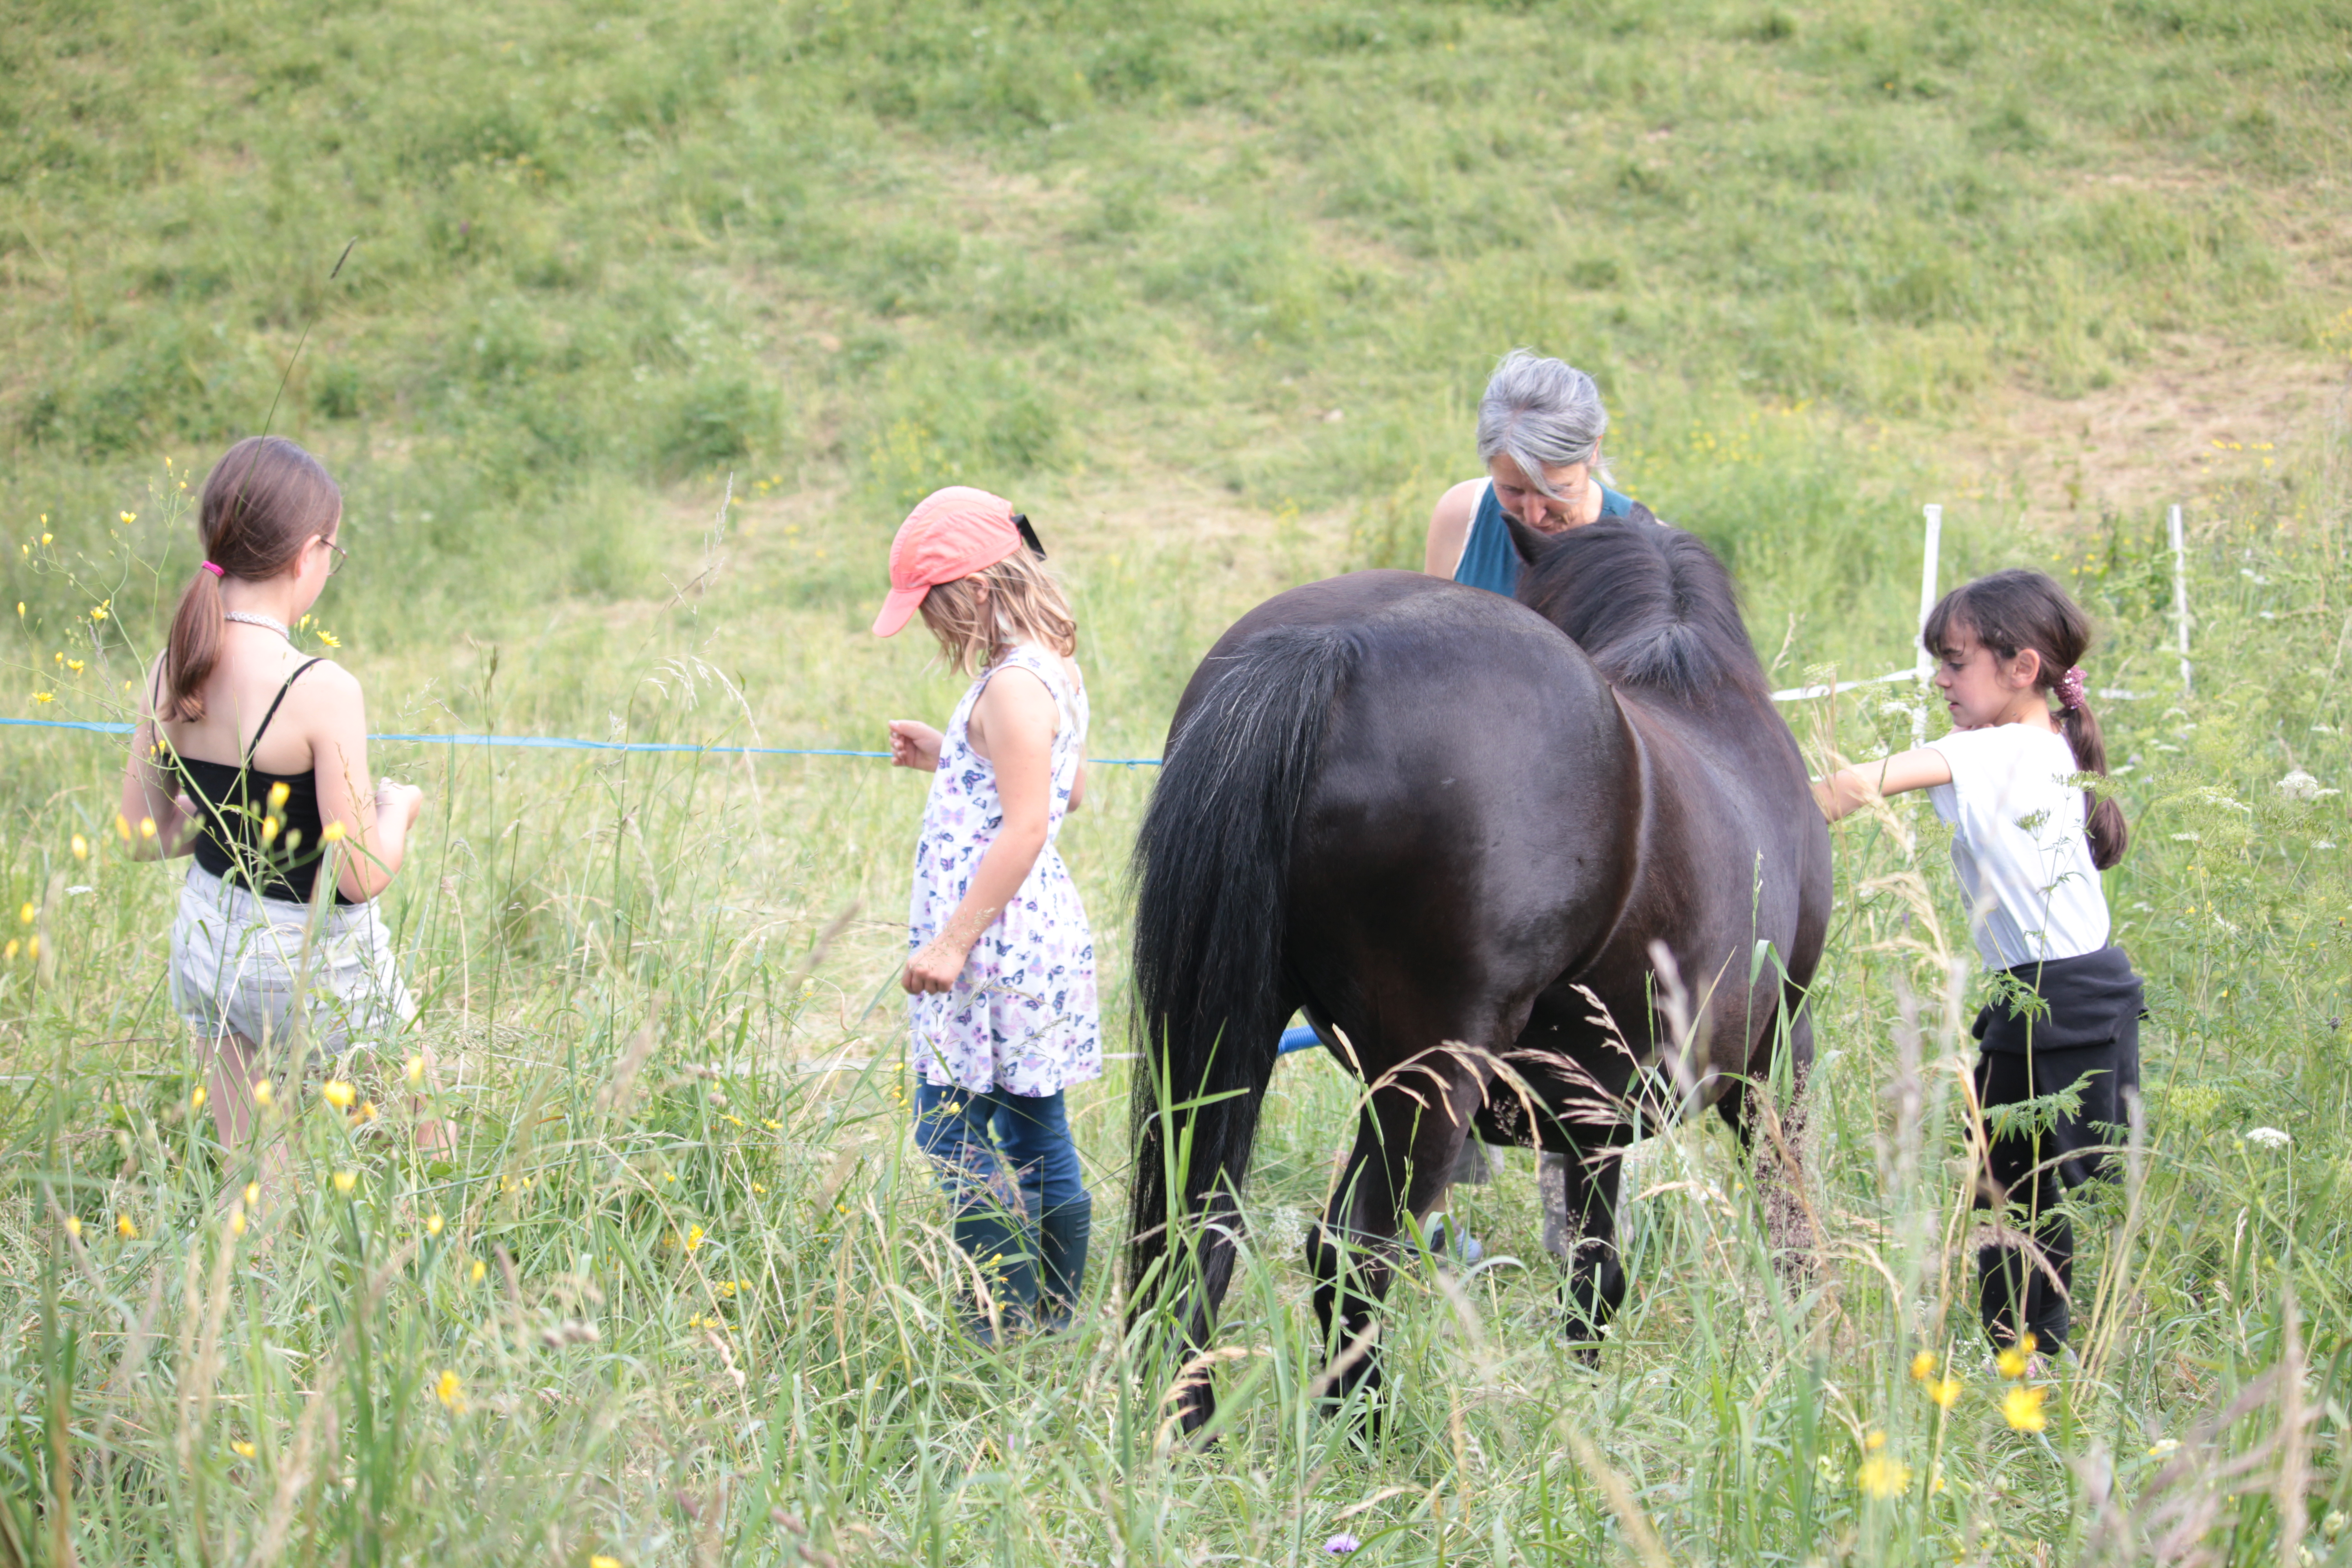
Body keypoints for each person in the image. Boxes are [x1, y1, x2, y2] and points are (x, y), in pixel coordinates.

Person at [1812, 569, 2142, 1354]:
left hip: (2053, 1003)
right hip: (2066, 992)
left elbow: (1848, 790)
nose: (1940, 678)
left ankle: (2030, 1367)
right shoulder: (2037, 739)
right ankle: (2030, 1361)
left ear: (2022, 668)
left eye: (1956, 662)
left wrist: (1743, 799)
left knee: (2019, 1205)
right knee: (2023, 1198)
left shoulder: (2003, 752)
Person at [118, 436, 433, 1210]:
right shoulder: (321, 688)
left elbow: (139, 835)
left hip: (209, 944)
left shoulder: (172, 665)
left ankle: (245, 1291)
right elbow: (358, 875)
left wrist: (212, 819)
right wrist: (400, 810)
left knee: (254, 1174)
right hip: (312, 957)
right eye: (336, 548)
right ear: (307, 554)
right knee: (426, 1135)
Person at [1418, 348, 1654, 1256]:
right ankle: (1435, 1213)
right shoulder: (1461, 516)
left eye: (1551, 490)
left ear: (1595, 449)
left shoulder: (1638, 546)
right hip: (1469, 809)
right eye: (1512, 494)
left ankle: (1581, 1237)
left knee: (1579, 1027)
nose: (1532, 514)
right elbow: (1428, 658)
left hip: (1576, 826)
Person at [877, 486, 1100, 1342]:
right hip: (1035, 932)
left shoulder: (1009, 686)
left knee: (946, 1128)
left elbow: (1033, 819)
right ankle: (1052, 1316)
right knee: (1035, 1123)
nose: (934, 630)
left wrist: (951, 940)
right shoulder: (1053, 667)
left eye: (931, 609)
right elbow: (1069, 784)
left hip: (993, 941)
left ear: (971, 591)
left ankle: (997, 1318)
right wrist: (951, 756)